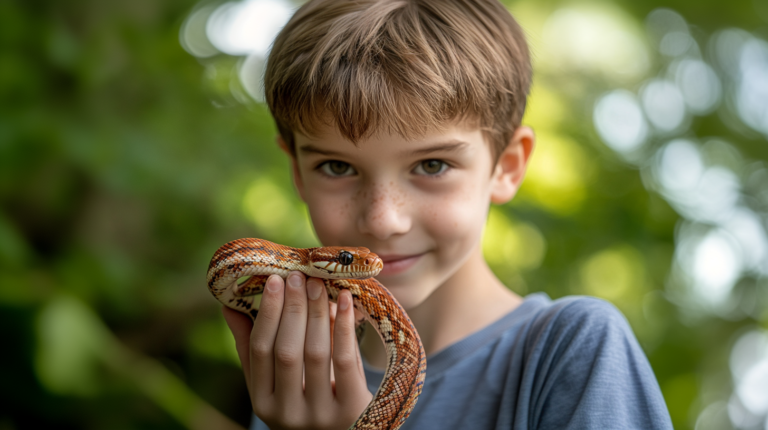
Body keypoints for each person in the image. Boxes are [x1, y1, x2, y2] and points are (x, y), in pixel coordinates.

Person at [221, 0, 673, 429]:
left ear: (508, 166)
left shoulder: (575, 349)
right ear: (297, 171)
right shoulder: (294, 382)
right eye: (337, 167)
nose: (383, 221)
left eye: (432, 165)